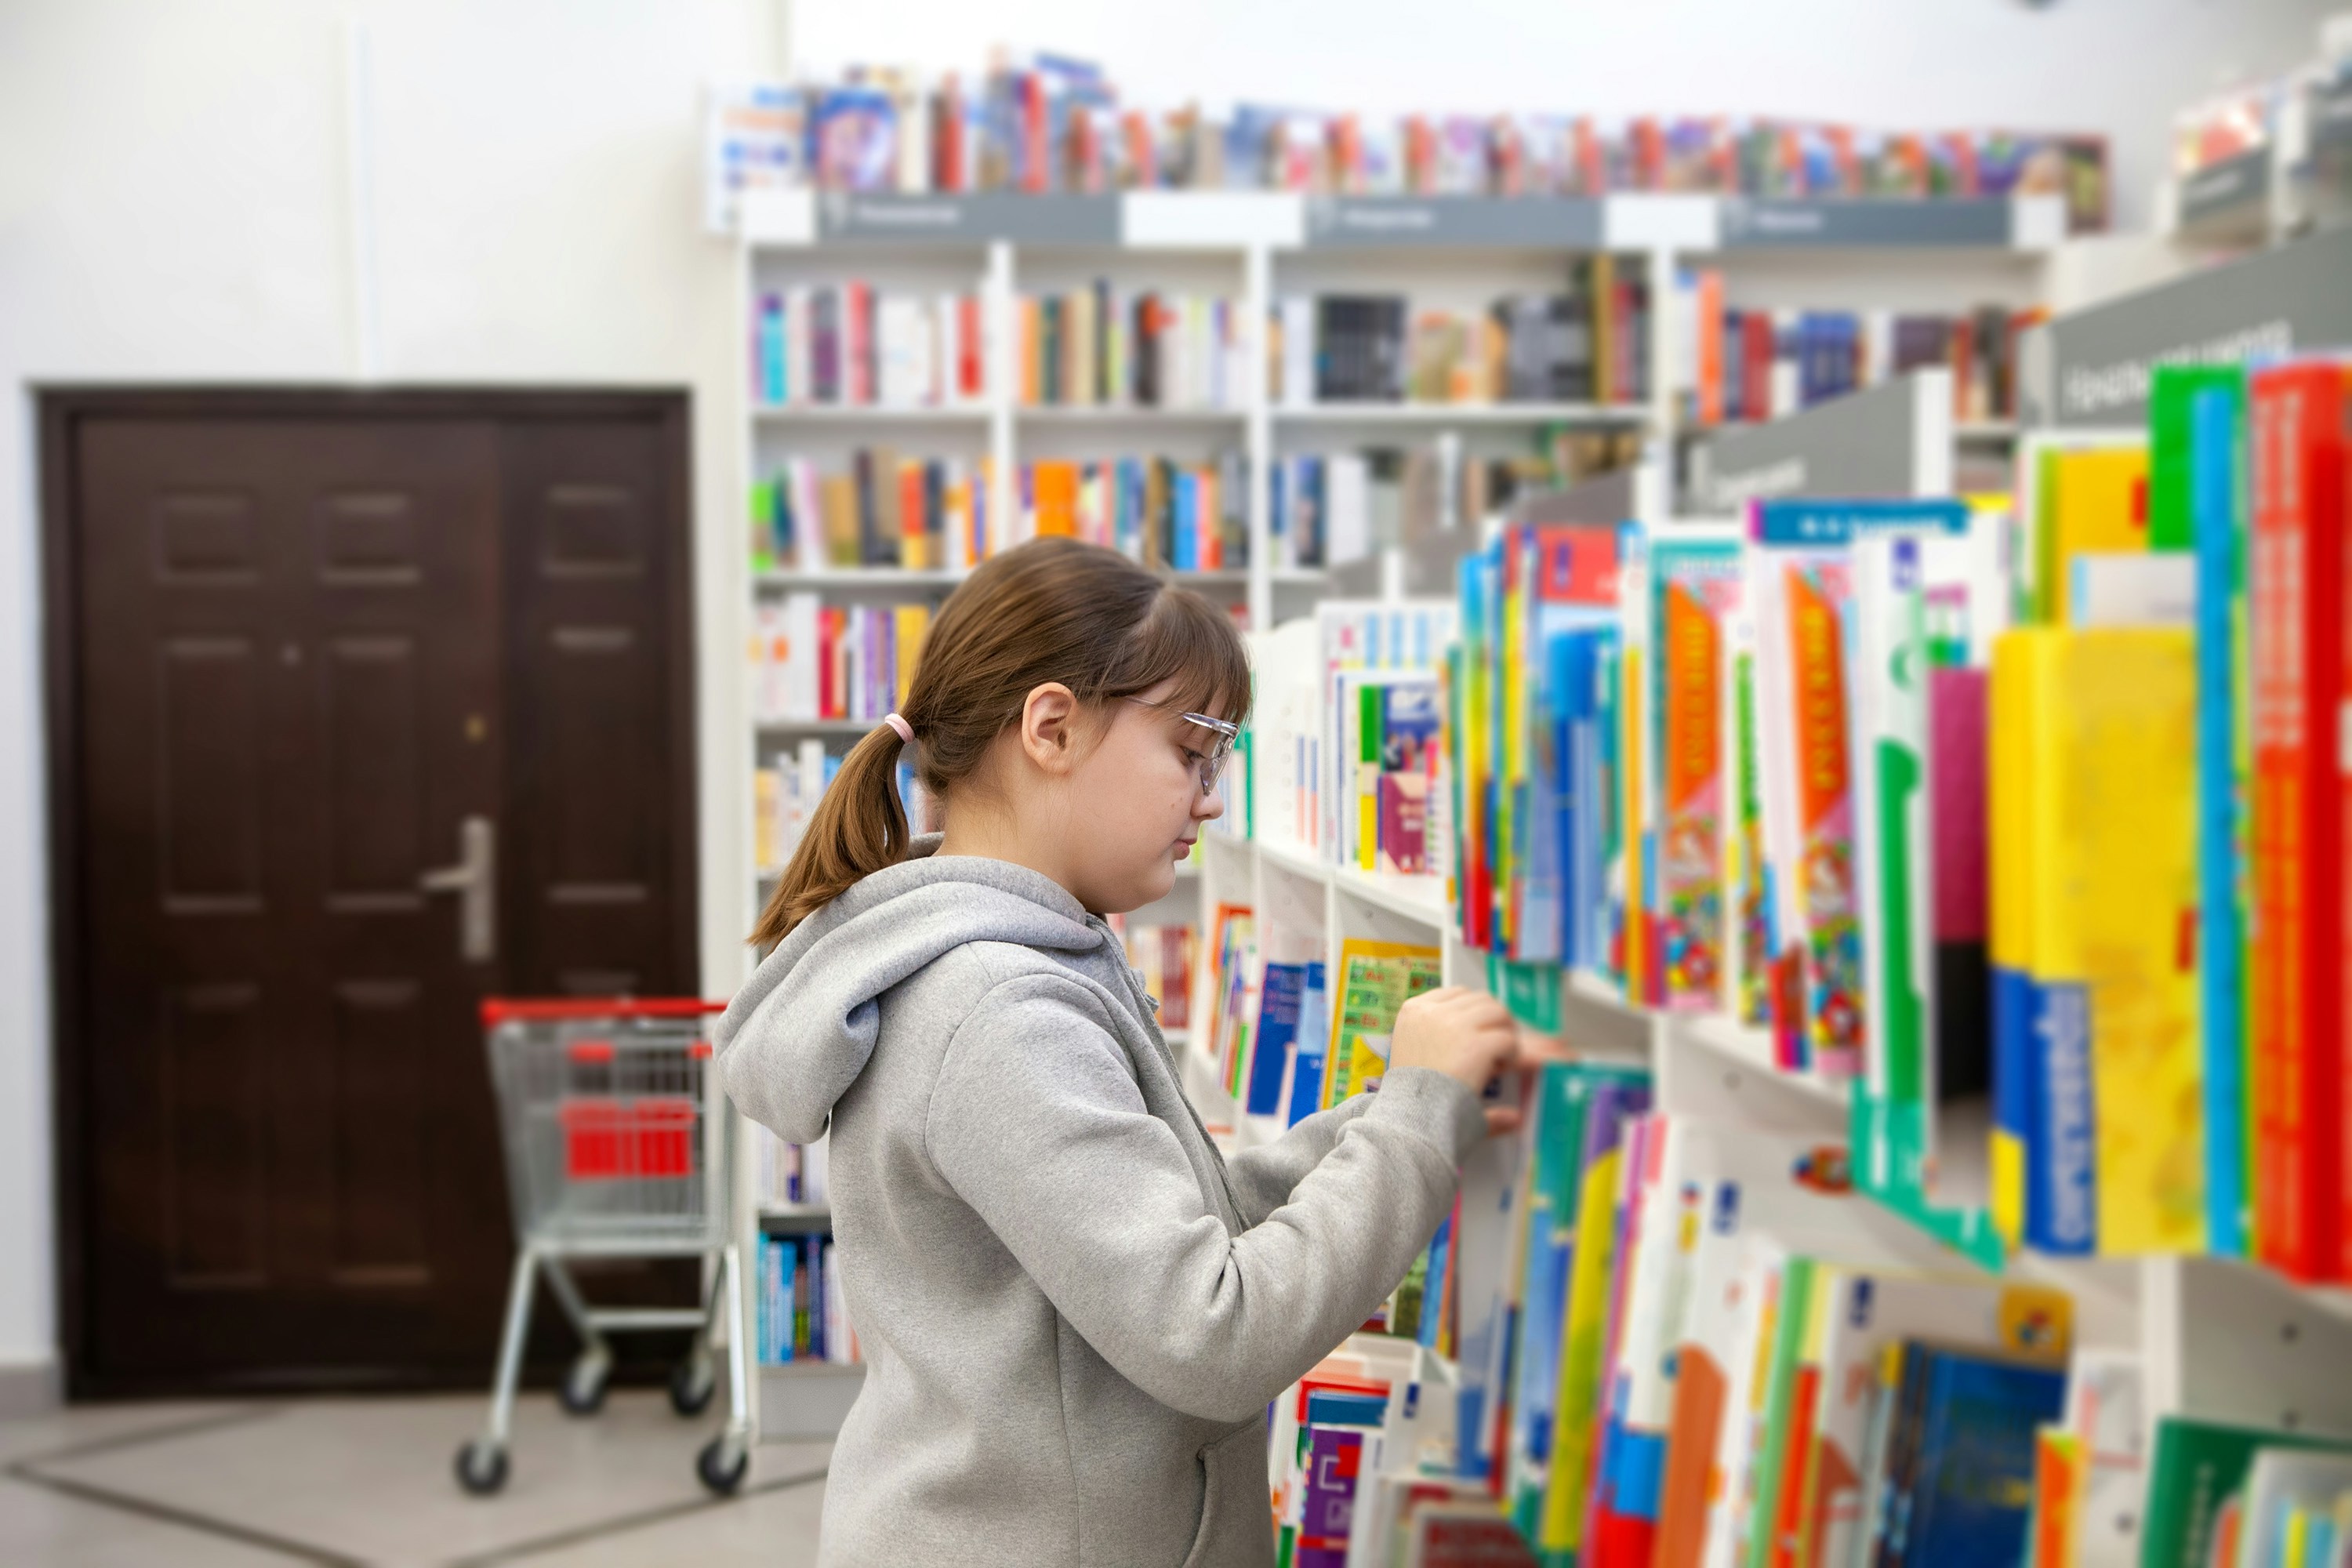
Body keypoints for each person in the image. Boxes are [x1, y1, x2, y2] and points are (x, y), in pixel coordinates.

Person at [717, 538, 1534, 1567]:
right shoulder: (997, 1008)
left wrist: (1401, 1115)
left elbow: (1170, 1225)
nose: (1211, 798)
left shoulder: (1031, 954)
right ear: (1053, 728)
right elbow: (1213, 1333)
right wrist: (1413, 1122)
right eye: (1192, 753)